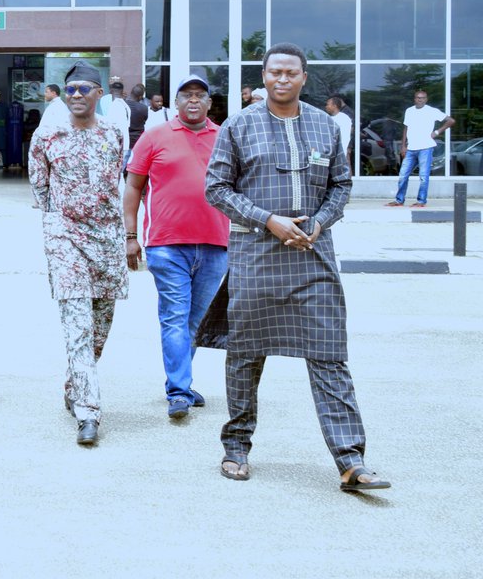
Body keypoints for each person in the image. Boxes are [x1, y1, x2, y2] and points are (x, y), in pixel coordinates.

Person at [205, 42, 390, 493]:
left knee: (329, 355)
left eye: (291, 73)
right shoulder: (239, 125)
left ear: (304, 77)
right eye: (275, 73)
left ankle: (351, 462)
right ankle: (237, 448)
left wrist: (320, 222)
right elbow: (216, 188)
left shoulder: (325, 126)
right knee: (245, 356)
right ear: (264, 77)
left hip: (314, 257)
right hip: (256, 257)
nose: (282, 80)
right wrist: (268, 220)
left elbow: (341, 185)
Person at [29, 61, 128, 446]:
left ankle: (74, 385)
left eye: (84, 89)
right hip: (64, 238)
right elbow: (40, 188)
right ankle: (89, 412)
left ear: (99, 94)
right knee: (78, 327)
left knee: (100, 330)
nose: (75, 96)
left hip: (106, 240)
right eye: (70, 90)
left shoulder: (114, 134)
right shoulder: (47, 137)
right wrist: (58, 224)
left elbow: (116, 183)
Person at [124, 75, 228, 420]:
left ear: (210, 103)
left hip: (216, 245)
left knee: (196, 323)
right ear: (176, 102)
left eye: (200, 95)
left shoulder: (225, 138)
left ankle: (179, 379)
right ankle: (179, 392)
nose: (193, 101)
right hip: (167, 246)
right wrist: (130, 235)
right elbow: (133, 187)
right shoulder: (155, 136)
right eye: (186, 95)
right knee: (174, 317)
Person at [387, 89, 455, 208]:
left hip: (426, 148)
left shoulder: (432, 111)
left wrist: (437, 132)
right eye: (418, 97)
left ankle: (421, 201)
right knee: (403, 174)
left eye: (422, 98)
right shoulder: (409, 111)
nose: (420, 99)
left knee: (423, 176)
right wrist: (403, 146)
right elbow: (406, 128)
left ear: (426, 99)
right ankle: (399, 200)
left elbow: (451, 121)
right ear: (414, 99)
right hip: (411, 148)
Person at [100, 76, 131, 169]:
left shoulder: (115, 106)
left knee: (112, 171)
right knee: (118, 172)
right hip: (124, 144)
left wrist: (104, 148)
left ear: (111, 90)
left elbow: (108, 129)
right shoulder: (126, 106)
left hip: (115, 145)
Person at [127, 83, 149, 153]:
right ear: (140, 97)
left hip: (125, 140)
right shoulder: (143, 108)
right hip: (138, 141)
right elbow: (145, 120)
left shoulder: (122, 105)